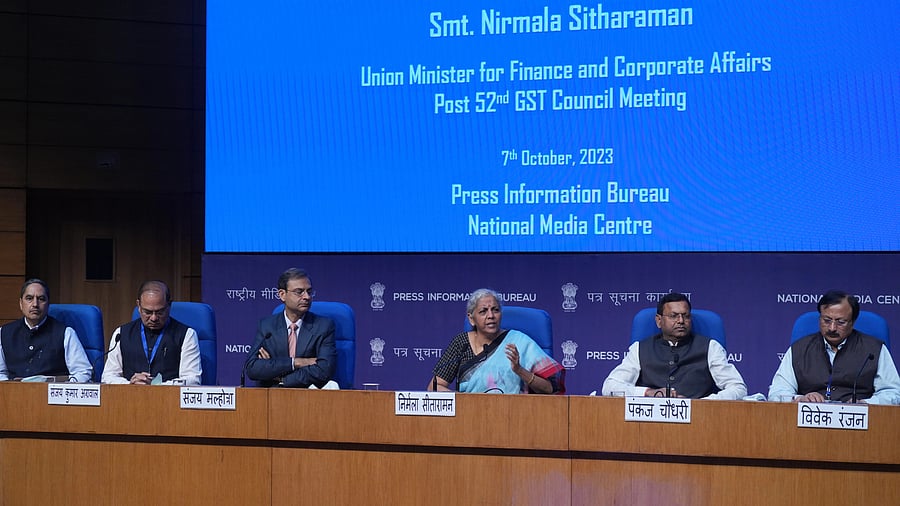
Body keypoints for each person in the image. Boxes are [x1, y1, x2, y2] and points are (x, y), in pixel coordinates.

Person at [602, 292, 747, 399]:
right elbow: (610, 387)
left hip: (698, 422)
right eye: (673, 316)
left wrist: (701, 404)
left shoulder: (710, 347)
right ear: (659, 321)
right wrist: (648, 393)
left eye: (686, 316)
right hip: (649, 422)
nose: (681, 321)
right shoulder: (640, 349)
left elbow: (738, 388)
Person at [768, 290, 900, 404]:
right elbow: (776, 392)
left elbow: (893, 392)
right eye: (826, 320)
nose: (832, 328)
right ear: (819, 318)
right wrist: (800, 399)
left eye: (840, 322)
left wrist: (866, 403)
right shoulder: (799, 349)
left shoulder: (874, 349)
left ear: (853, 322)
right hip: (807, 424)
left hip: (861, 424)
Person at [428, 288, 564, 394]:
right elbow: (434, 387)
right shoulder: (461, 344)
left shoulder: (519, 342)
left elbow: (550, 388)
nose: (491, 316)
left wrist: (519, 370)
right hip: (469, 417)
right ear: (471, 318)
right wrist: (464, 400)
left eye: (495, 310)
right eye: (483, 311)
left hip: (515, 416)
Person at [245, 268, 336, 388]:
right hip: (273, 398)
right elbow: (253, 368)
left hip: (309, 397)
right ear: (282, 295)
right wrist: (296, 362)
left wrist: (281, 378)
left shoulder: (323, 326)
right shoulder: (267, 326)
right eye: (299, 292)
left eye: (309, 291)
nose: (307, 297)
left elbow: (324, 370)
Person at [101, 280, 201, 385]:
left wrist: (156, 385)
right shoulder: (121, 334)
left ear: (169, 305)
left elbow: (192, 380)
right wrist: (130, 384)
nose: (153, 318)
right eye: (147, 312)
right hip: (130, 397)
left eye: (160, 312)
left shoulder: (187, 335)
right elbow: (107, 377)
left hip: (169, 399)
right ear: (138, 306)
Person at [0, 279, 92, 382]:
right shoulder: (4, 333)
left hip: (53, 396)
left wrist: (61, 386)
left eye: (41, 299)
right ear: (21, 303)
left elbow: (83, 372)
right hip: (15, 395)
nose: (35, 304)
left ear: (48, 304)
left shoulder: (65, 333)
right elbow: (1, 373)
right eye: (29, 298)